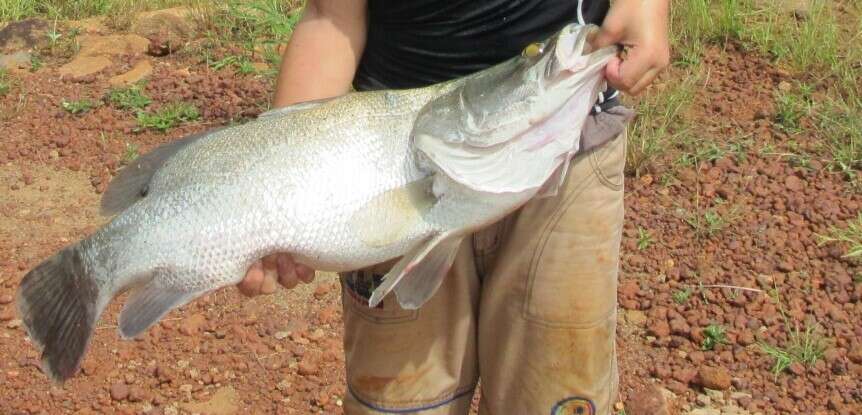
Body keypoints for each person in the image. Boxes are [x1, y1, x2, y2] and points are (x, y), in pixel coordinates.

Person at [238, 0, 670, 413]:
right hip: (398, 166)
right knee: (401, 403)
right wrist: (278, 189)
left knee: (551, 390)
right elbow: (332, 18)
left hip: (566, 141)